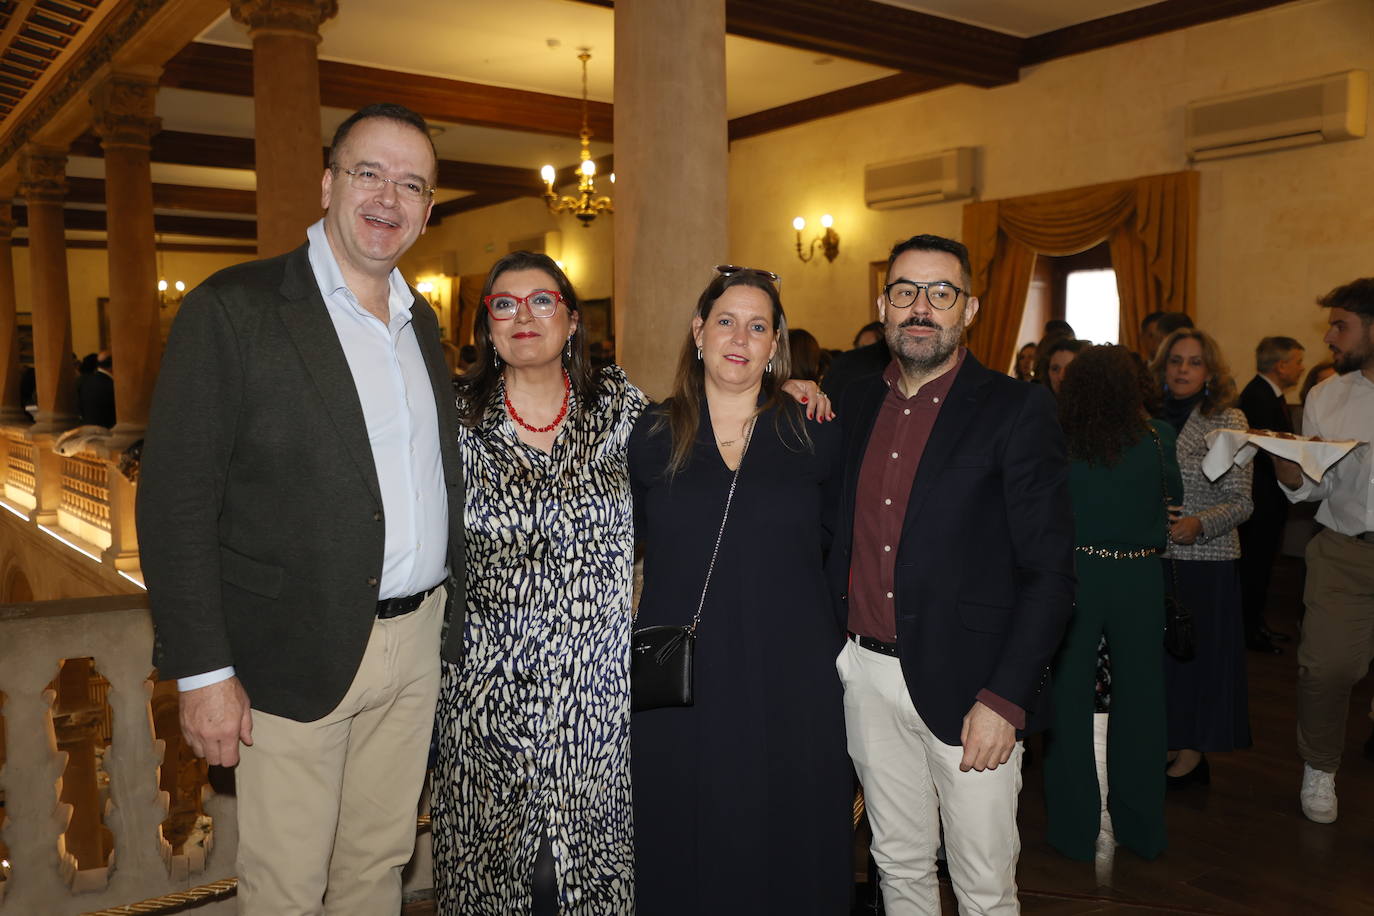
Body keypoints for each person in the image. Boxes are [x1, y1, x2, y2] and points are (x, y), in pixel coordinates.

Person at [136, 103, 467, 914]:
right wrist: (205, 672)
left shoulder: (423, 325)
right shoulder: (235, 309)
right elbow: (176, 499)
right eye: (369, 173)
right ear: (327, 183)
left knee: (378, 863)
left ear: (427, 213)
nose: (389, 197)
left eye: (411, 185)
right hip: (289, 651)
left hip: (416, 642)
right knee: (287, 884)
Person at [430, 254, 829, 914]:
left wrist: (786, 389)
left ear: (572, 320)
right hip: (485, 702)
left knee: (587, 888)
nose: (524, 316)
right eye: (504, 304)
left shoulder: (621, 415)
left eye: (542, 302)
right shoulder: (448, 424)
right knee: (492, 885)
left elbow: (711, 425)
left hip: (600, 702)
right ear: (485, 326)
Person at [826, 234, 1074, 915]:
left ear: (969, 309)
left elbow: (1051, 570)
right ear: (883, 304)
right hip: (866, 675)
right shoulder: (850, 402)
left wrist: (1006, 697)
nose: (921, 309)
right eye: (905, 292)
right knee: (896, 864)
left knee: (984, 884)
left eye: (941, 294)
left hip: (975, 688)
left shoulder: (1015, 410)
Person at [629, 266, 851, 915]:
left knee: (788, 829)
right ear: (699, 332)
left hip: (791, 673)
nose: (740, 337)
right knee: (680, 831)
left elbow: (846, 546)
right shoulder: (647, 435)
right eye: (726, 321)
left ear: (775, 342)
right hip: (679, 674)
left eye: (758, 326)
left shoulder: (815, 429)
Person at [1042, 345, 1181, 862]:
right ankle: (1142, 829)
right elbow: (1174, 495)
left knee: (1068, 703)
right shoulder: (1156, 437)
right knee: (1143, 703)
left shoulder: (1058, 439)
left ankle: (1073, 831)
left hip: (1073, 577)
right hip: (1138, 575)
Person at [1272, 278, 1374, 824]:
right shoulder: (1326, 396)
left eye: (1341, 326)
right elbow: (1318, 486)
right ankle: (1320, 767)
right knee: (1325, 670)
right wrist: (1292, 473)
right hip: (1344, 552)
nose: (1330, 337)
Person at [1150, 328, 1252, 790]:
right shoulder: (1143, 417)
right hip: (1150, 558)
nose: (1183, 370)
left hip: (1206, 559)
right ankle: (1165, 738)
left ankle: (1193, 749)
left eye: (1194, 362)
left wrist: (1198, 524)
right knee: (1159, 659)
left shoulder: (1228, 420)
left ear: (1210, 372)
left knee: (1199, 659)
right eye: (1175, 360)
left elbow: (1241, 502)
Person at [1237, 336, 1305, 655]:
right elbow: (1267, 452)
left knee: (1262, 567)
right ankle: (1249, 631)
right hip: (1260, 500)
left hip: (1269, 500)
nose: (1300, 368)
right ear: (1280, 365)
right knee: (1254, 568)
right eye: (1297, 361)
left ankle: (1257, 625)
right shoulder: (1257, 396)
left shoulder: (1269, 394)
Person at [77, 350, 115, 427]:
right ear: (113, 365)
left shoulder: (85, 382)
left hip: (87, 429)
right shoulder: (112, 385)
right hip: (109, 432)